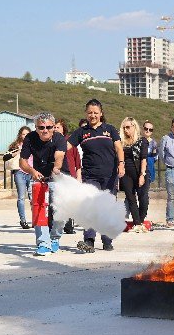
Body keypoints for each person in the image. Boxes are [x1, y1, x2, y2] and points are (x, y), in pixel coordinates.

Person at [67, 99, 124, 253]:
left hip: (110, 175)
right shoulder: (82, 132)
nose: (92, 115)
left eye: (95, 112)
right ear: (86, 114)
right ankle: (89, 240)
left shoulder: (110, 129)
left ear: (101, 113)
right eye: (90, 112)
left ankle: (107, 240)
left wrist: (121, 163)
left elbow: (118, 147)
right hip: (90, 175)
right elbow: (66, 146)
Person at [19, 112, 69, 255]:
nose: (45, 130)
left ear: (53, 127)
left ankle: (55, 238)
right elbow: (23, 161)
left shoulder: (59, 138)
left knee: (60, 210)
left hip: (57, 176)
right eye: (41, 127)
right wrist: (32, 171)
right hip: (38, 177)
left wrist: (56, 168)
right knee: (39, 209)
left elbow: (59, 157)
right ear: (36, 128)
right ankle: (43, 243)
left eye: (48, 127)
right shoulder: (30, 138)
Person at [119, 117, 148, 233]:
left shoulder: (142, 141)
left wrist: (142, 174)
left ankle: (140, 221)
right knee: (131, 198)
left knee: (143, 198)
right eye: (124, 127)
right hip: (126, 174)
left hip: (139, 171)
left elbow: (143, 159)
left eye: (128, 127)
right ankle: (137, 223)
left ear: (134, 127)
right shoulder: (121, 142)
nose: (126, 130)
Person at [54, 119, 80, 234]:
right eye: (54, 127)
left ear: (64, 129)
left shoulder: (70, 142)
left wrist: (78, 177)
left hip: (69, 174)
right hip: (56, 175)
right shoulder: (51, 142)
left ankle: (69, 226)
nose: (55, 129)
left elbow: (78, 161)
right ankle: (56, 225)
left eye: (58, 127)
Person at [4, 126, 32, 229]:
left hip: (31, 172)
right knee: (21, 197)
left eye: (27, 134)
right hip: (19, 173)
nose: (25, 136)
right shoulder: (15, 146)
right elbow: (5, 157)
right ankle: (23, 220)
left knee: (33, 197)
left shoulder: (33, 144)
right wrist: (16, 152)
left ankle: (36, 219)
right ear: (20, 135)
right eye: (23, 134)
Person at [139, 120, 157, 227]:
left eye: (150, 130)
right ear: (142, 129)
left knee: (144, 194)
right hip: (137, 170)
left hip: (148, 170)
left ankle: (142, 216)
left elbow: (155, 156)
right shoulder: (138, 140)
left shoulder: (153, 143)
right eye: (146, 129)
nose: (148, 131)